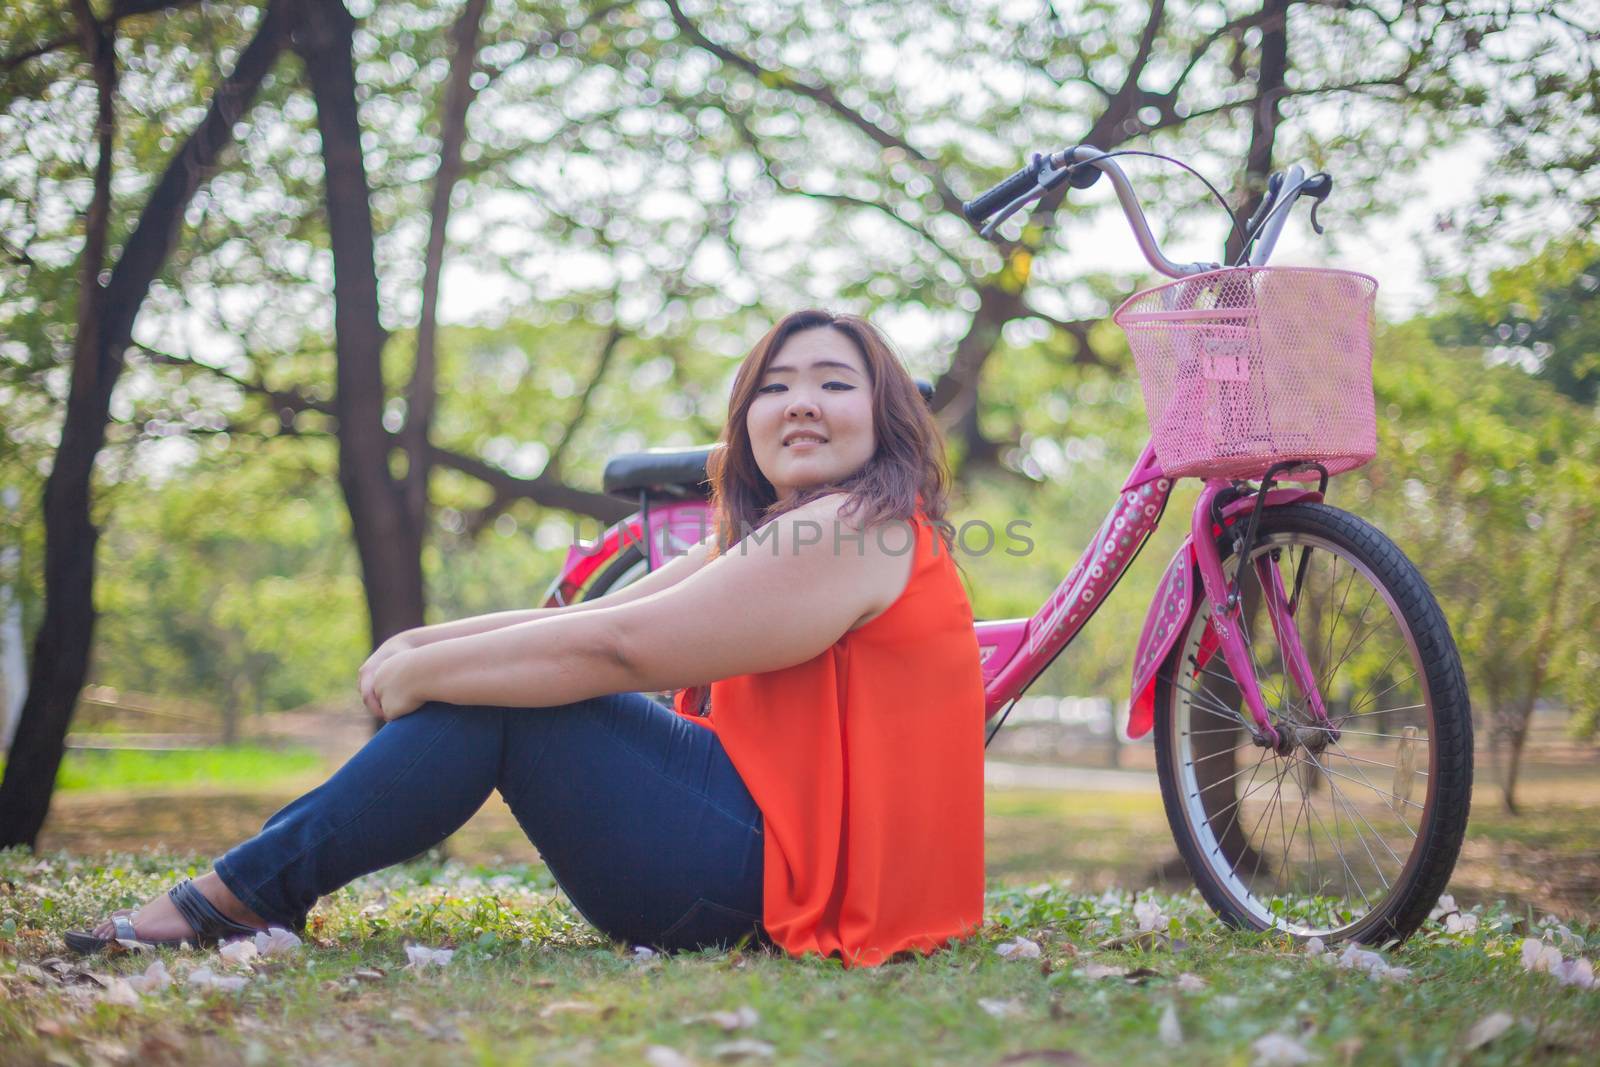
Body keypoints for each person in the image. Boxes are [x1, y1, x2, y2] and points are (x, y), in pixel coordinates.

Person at [67, 309, 986, 968]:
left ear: (886, 412)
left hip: (774, 882)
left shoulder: (857, 526)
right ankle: (252, 887)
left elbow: (619, 649)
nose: (801, 404)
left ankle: (238, 894)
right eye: (774, 387)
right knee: (502, 684)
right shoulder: (794, 531)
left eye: (835, 382)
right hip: (748, 858)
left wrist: (429, 670)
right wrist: (422, 643)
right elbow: (579, 624)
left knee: (513, 703)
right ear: (744, 421)